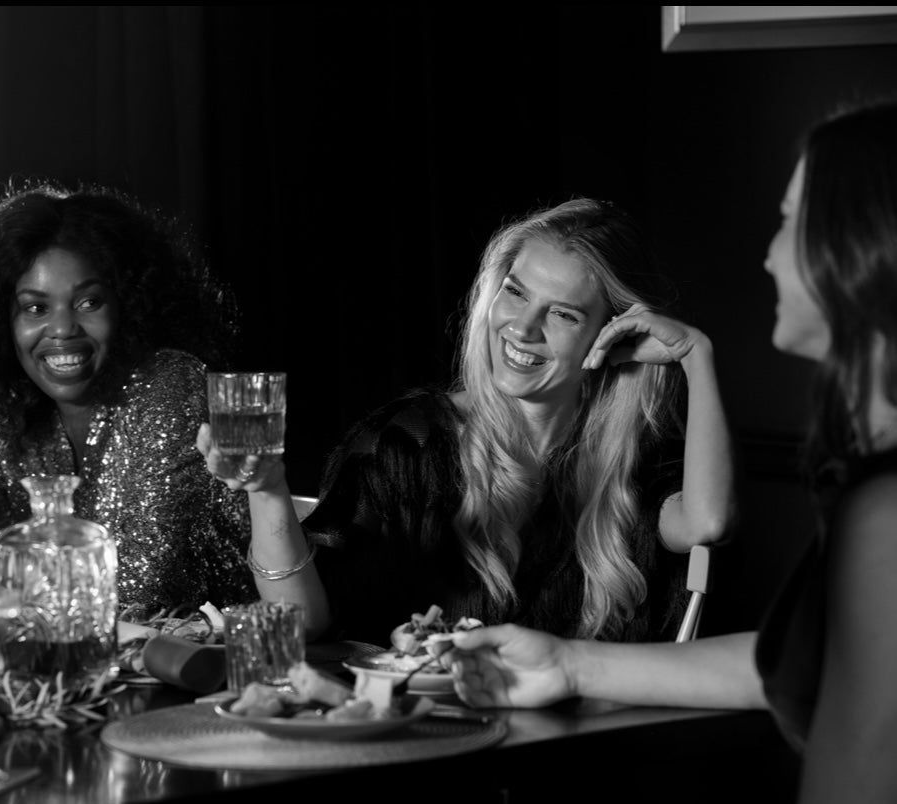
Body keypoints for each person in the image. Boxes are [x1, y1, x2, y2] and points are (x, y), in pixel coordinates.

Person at [446, 100, 897, 803]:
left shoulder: (885, 508)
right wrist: (568, 664)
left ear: (854, 248)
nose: (770, 254)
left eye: (787, 222)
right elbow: (782, 664)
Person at [200, 198, 735, 645]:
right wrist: (268, 489)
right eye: (516, 292)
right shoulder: (410, 443)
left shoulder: (627, 462)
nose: (522, 328)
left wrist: (697, 355)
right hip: (421, 748)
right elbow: (301, 624)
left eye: (563, 313)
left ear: (611, 333)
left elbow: (708, 524)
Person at [0, 183, 253, 616]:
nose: (62, 329)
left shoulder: (168, 383)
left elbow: (143, 585)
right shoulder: (14, 413)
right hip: (83, 667)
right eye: (35, 308)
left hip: (222, 666)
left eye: (88, 302)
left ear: (128, 306)